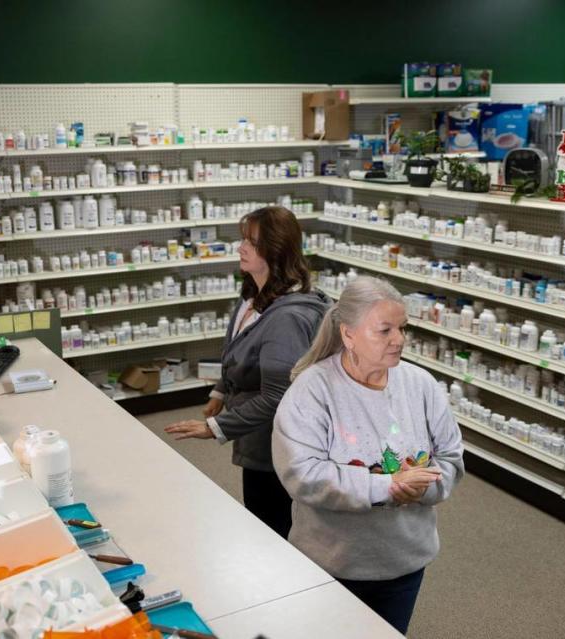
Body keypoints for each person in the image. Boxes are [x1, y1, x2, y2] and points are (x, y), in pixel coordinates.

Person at [272, 275, 464, 635]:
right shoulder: (313, 391)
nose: (399, 340)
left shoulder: (421, 385)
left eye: (403, 328)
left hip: (403, 564)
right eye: (385, 330)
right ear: (348, 334)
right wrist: (386, 487)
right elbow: (303, 474)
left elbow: (451, 457)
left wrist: (425, 487)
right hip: (332, 564)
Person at [164, 206, 329, 538]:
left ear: (275, 251)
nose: (240, 248)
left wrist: (215, 427)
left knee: (272, 525)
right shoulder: (254, 295)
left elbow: (277, 397)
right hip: (253, 435)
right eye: (243, 240)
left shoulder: (286, 318)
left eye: (250, 242)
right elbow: (240, 347)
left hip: (273, 445)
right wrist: (221, 392)